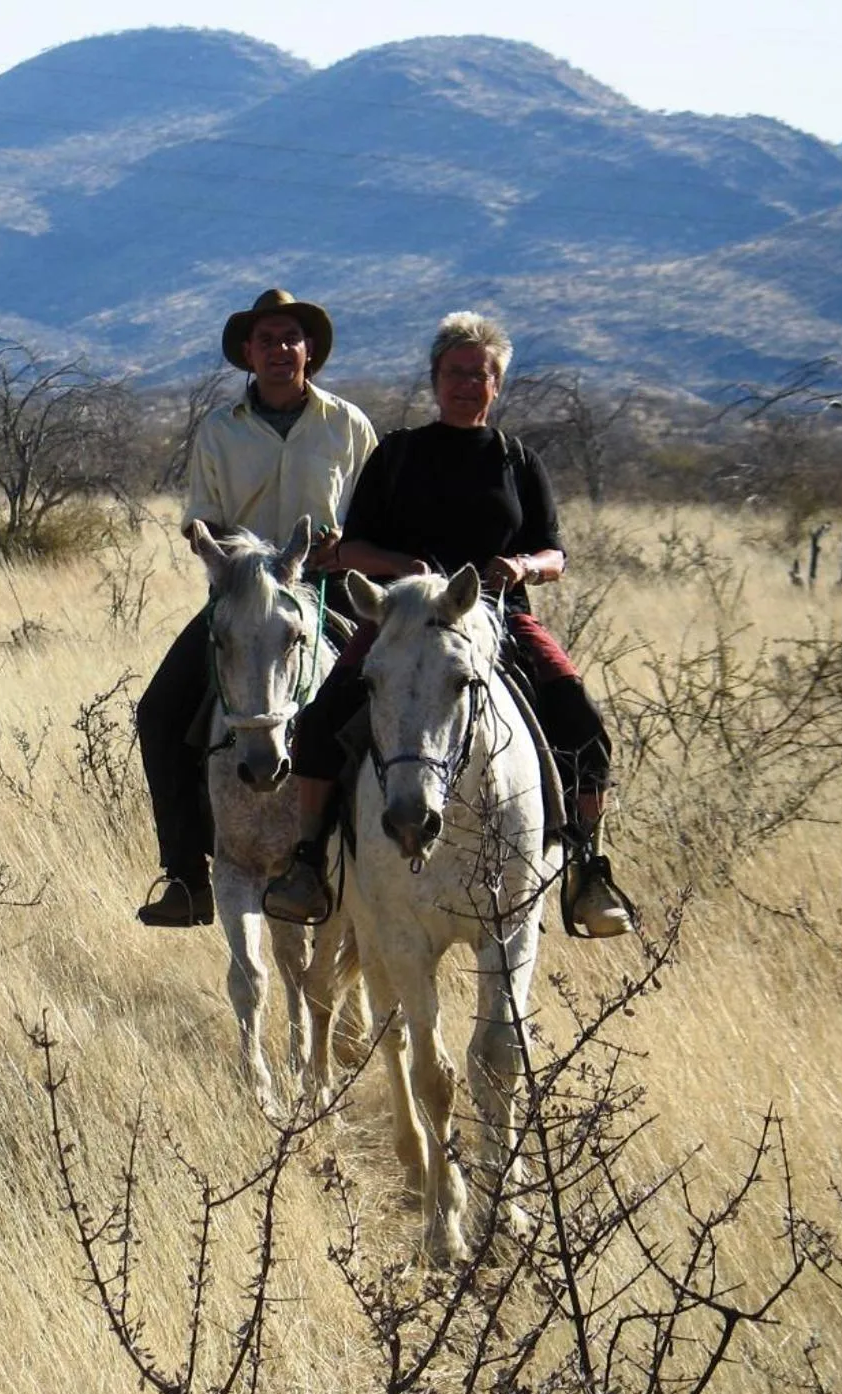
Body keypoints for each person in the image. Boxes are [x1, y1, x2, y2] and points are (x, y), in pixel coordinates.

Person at [261, 310, 634, 938]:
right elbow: (348, 550)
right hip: (400, 620)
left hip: (499, 617)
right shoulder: (399, 454)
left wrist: (522, 566)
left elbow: (555, 553)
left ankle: (587, 870)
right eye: (456, 372)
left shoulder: (519, 461)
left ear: (497, 384)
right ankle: (307, 865)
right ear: (436, 379)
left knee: (581, 724)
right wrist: (400, 568)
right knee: (323, 720)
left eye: (480, 375)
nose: (467, 384)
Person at [133, 288, 378, 927]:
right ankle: (187, 876)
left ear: (309, 351)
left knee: (389, 702)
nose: (278, 350)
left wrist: (343, 548)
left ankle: (388, 853)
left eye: (290, 339)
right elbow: (198, 521)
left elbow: (376, 512)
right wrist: (223, 551)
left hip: (324, 593)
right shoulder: (219, 429)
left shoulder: (347, 426)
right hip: (240, 601)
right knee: (159, 711)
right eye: (266, 340)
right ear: (248, 352)